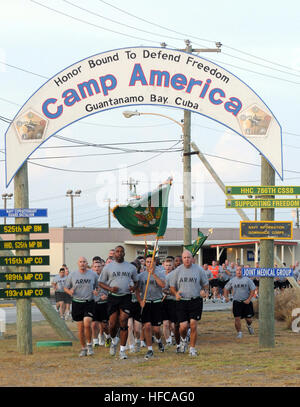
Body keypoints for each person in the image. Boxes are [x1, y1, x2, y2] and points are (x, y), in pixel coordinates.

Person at [98, 245, 138, 360]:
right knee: (112, 323)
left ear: (124, 254)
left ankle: (122, 350)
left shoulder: (131, 267)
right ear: (114, 254)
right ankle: (114, 339)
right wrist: (110, 289)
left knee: (124, 320)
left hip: (126, 296)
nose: (119, 253)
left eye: (121, 251)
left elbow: (136, 282)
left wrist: (133, 288)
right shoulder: (108, 267)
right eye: (117, 251)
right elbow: (100, 282)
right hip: (113, 297)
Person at [170, 250, 209, 357]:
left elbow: (206, 285)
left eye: (189, 257)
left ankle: (192, 349)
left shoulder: (199, 270)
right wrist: (176, 293)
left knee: (193, 325)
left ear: (192, 258)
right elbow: (172, 287)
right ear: (182, 259)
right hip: (182, 301)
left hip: (195, 300)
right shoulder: (178, 271)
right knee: (183, 327)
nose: (187, 259)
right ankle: (183, 340)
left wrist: (204, 291)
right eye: (185, 258)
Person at [64, 257, 99, 357]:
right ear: (78, 263)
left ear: (87, 263)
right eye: (80, 262)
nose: (82, 263)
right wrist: (70, 292)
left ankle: (89, 345)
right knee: (80, 328)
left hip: (89, 302)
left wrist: (97, 291)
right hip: (77, 302)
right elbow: (65, 287)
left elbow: (98, 286)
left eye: (84, 262)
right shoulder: (72, 275)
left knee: (87, 323)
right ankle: (83, 348)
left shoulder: (93, 274)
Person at [136, 254, 166, 360]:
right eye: (147, 262)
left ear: (155, 262)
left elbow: (163, 285)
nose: (149, 263)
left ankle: (158, 341)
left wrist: (153, 274)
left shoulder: (160, 273)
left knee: (157, 329)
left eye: (151, 261)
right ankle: (150, 349)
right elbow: (137, 290)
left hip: (157, 302)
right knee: (147, 326)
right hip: (146, 303)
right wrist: (140, 301)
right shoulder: (141, 276)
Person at [223, 265, 256, 339]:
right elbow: (225, 288)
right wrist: (226, 297)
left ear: (243, 271)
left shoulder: (248, 280)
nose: (239, 271)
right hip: (237, 302)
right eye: (237, 270)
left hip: (246, 302)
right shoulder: (233, 280)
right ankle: (239, 333)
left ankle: (249, 326)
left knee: (249, 319)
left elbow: (253, 290)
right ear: (235, 272)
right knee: (237, 318)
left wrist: (249, 299)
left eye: (240, 270)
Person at [91, 259, 111, 348]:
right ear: (92, 268)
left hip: (105, 304)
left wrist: (108, 296)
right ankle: (95, 342)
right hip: (94, 303)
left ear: (102, 267)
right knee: (94, 324)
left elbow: (112, 290)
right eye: (95, 267)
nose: (97, 268)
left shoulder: (106, 278)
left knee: (104, 325)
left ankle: (108, 337)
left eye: (99, 266)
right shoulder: (90, 278)